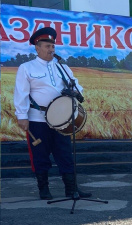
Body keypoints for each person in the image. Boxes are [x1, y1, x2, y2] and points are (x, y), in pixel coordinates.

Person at [13, 27, 92, 200]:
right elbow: (21, 93)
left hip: (61, 119)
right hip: (37, 118)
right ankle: (44, 189)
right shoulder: (26, 67)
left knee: (64, 153)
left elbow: (76, 85)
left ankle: (71, 190)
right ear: (37, 48)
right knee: (40, 154)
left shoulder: (61, 67)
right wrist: (22, 116)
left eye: (53, 46)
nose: (51, 50)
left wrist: (74, 91)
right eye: (47, 46)